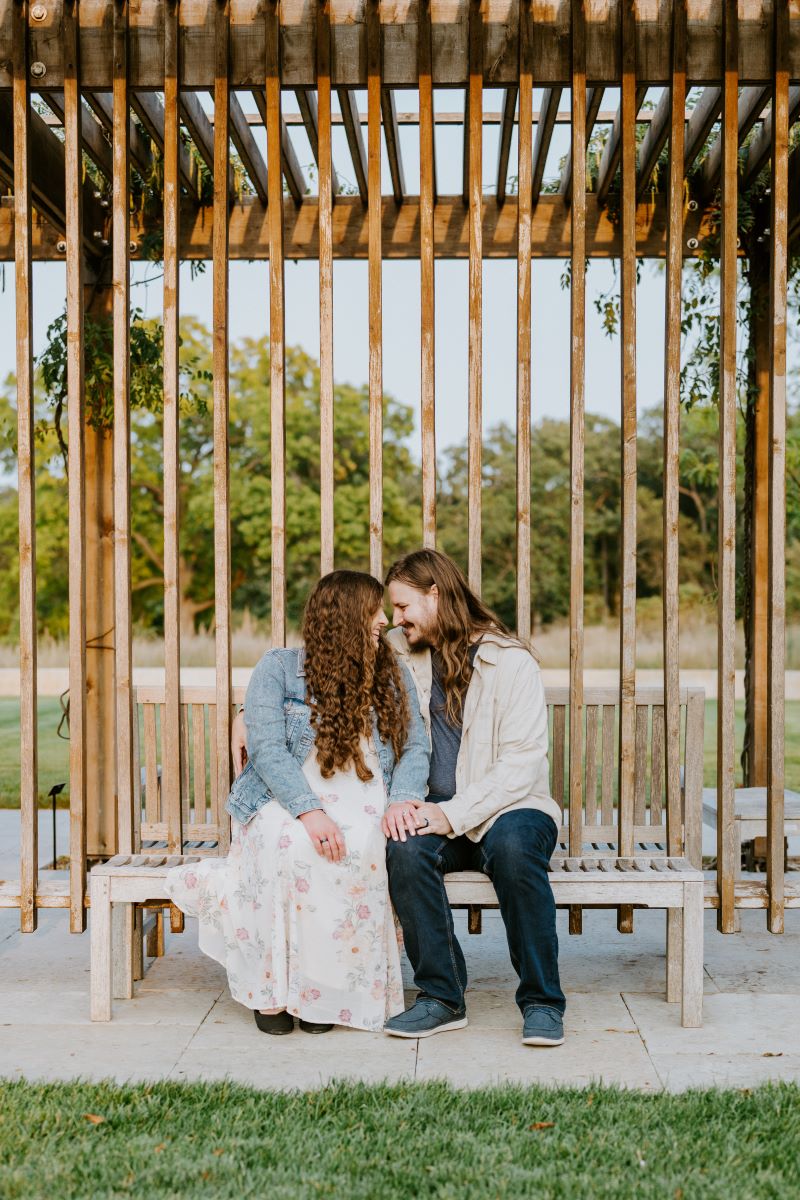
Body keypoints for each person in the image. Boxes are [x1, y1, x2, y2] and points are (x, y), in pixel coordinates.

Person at [166, 570, 430, 1036]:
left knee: (364, 848)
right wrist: (309, 812)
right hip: (282, 796)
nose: (384, 619)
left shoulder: (392, 672)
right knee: (290, 845)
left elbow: (415, 747)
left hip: (364, 793)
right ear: (346, 616)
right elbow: (266, 750)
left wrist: (402, 800)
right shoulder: (279, 668)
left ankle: (323, 995)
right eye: (374, 610)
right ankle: (271, 993)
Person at [381, 549, 566, 1047]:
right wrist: (248, 710)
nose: (396, 619)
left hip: (513, 807)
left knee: (513, 850)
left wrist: (451, 813)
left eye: (403, 607)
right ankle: (441, 998)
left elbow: (523, 762)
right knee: (403, 848)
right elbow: (321, 666)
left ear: (435, 595)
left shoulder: (509, 661)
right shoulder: (400, 650)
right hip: (437, 810)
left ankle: (543, 1002)